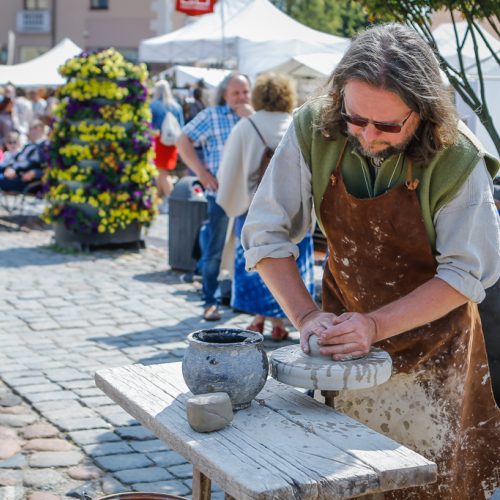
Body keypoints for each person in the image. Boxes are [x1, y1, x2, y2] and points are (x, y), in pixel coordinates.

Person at [242, 23, 500, 499]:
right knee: (352, 485)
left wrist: (375, 326)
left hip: (437, 351)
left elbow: (468, 272)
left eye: (386, 125)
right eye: (355, 119)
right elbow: (264, 235)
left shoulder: (457, 156)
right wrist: (307, 316)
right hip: (346, 350)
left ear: (422, 113)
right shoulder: (314, 128)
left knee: (434, 485)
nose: (365, 136)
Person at [217, 73, 315, 340]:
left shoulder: (246, 126)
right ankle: (282, 321)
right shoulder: (296, 124)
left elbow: (228, 172)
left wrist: (233, 200)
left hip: (252, 211)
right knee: (289, 266)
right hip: (295, 214)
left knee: (259, 263)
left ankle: (258, 318)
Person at [177, 72, 252, 321]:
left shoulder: (254, 117)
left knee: (249, 250)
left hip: (252, 195)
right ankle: (210, 301)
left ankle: (243, 300)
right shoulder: (212, 115)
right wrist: (201, 172)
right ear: (224, 95)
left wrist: (251, 117)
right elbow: (182, 139)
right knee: (215, 249)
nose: (241, 97)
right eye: (236, 93)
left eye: (245, 92)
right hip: (220, 193)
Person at [150, 79, 185, 214]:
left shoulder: (153, 106)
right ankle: (158, 201)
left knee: (162, 173)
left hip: (158, 141)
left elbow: (149, 127)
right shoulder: (176, 107)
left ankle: (171, 201)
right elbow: (181, 127)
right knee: (162, 173)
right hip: (172, 143)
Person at [0, 120, 48, 193]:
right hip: (14, 173)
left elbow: (42, 165)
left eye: (30, 129)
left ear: (38, 129)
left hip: (26, 179)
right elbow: (17, 159)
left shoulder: (44, 146)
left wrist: (35, 172)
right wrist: (9, 168)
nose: (28, 133)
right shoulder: (29, 145)